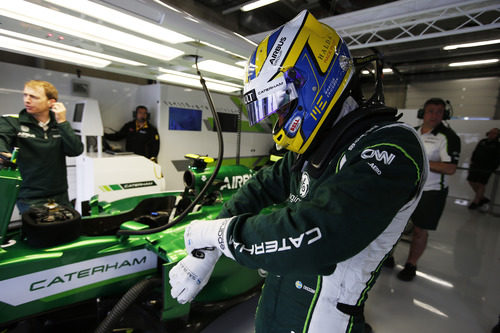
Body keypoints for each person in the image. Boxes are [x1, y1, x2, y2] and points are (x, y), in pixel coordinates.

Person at [168, 10, 428, 333]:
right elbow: (259, 188)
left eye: (280, 107)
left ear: (313, 80)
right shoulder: (315, 145)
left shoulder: (395, 146)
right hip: (274, 313)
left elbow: (318, 233)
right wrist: (208, 252)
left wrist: (220, 236)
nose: (278, 123)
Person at [397, 97, 461, 281]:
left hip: (432, 191)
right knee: (396, 225)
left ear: (444, 114)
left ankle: (411, 264)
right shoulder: (413, 132)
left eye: (439, 111)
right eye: (431, 111)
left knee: (420, 230)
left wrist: (419, 162)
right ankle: (389, 257)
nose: (434, 115)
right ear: (422, 113)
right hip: (406, 188)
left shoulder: (448, 137)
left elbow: (450, 168)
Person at [0, 80, 84, 213]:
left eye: (33, 97)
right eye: (25, 95)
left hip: (59, 194)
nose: (27, 100)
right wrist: (3, 153)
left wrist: (62, 121)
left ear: (51, 102)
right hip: (29, 196)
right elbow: (1, 138)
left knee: (66, 229)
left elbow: (75, 150)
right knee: (40, 231)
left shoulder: (60, 124)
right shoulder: (12, 122)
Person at [467, 127, 500, 209]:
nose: (491, 134)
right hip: (475, 165)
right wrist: (472, 161)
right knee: (471, 181)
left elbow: (498, 158)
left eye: (494, 133)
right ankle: (482, 198)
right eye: (491, 132)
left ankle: (476, 201)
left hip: (487, 168)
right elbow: (475, 152)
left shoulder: (498, 145)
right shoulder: (483, 141)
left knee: (481, 184)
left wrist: (493, 167)